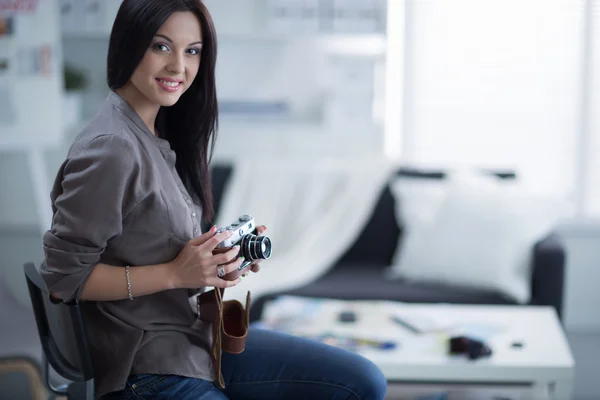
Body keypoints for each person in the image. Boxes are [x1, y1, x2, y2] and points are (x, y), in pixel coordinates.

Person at [40, 0, 388, 399]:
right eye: (161, 46)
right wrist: (176, 273)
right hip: (147, 368)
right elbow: (64, 277)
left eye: (192, 51)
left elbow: (148, 246)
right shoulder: (113, 149)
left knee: (362, 380)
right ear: (128, 43)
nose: (178, 67)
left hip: (197, 339)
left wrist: (215, 261)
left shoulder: (154, 135)